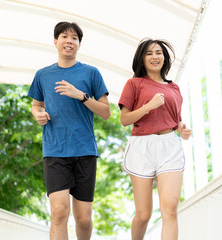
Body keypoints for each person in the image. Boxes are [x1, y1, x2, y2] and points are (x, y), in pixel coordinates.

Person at [28, 22, 110, 240]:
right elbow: (36, 105)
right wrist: (38, 113)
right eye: (64, 36)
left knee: (83, 219)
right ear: (55, 42)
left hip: (84, 150)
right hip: (55, 150)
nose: (69, 41)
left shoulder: (91, 73)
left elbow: (106, 112)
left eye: (74, 38)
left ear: (79, 44)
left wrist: (81, 96)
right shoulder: (42, 75)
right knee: (59, 211)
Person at [118, 38, 192, 240]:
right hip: (142, 147)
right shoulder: (134, 84)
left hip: (169, 147)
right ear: (142, 59)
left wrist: (182, 130)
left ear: (164, 57)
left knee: (170, 208)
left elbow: (175, 121)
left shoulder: (174, 88)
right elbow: (124, 120)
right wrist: (148, 106)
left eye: (158, 52)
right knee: (143, 214)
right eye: (149, 53)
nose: (154, 56)